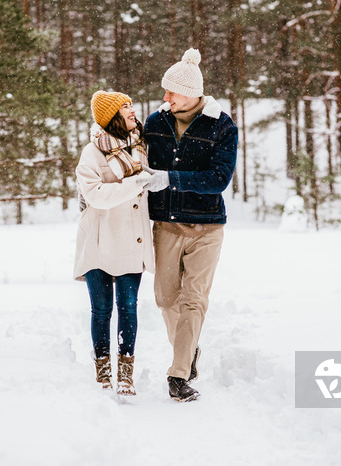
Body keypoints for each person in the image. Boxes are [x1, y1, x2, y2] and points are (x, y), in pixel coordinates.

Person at [143, 49, 238, 402]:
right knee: (167, 299)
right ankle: (189, 349)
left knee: (194, 300)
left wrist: (171, 178)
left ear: (193, 94)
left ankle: (179, 374)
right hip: (166, 227)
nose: (165, 98)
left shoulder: (222, 126)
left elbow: (218, 179)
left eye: (172, 92)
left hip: (207, 228)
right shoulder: (155, 122)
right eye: (165, 92)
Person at [74, 90, 154, 396]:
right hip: (97, 241)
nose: (132, 111)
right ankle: (103, 370)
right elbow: (95, 195)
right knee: (102, 310)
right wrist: (136, 182)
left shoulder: (141, 148)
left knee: (129, 307)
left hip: (130, 239)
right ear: (112, 116)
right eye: (125, 107)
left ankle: (126, 373)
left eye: (132, 105)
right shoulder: (91, 153)